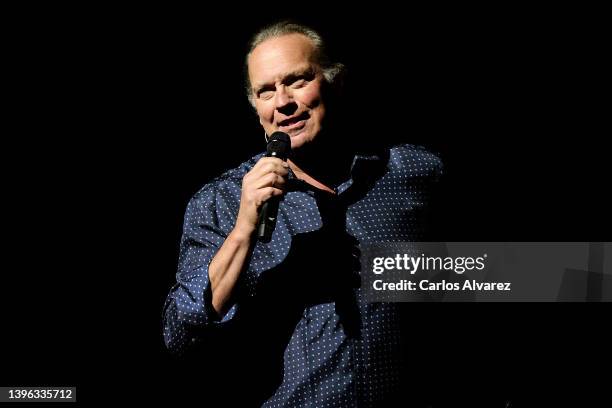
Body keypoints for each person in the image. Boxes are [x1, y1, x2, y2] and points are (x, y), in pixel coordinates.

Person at [162, 21, 445, 407]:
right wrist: (244, 230)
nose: (282, 102)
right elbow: (181, 335)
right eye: (265, 91)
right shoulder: (222, 201)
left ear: (335, 82)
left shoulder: (412, 173)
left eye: (297, 80)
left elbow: (501, 278)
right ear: (255, 108)